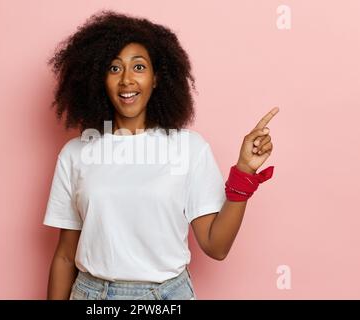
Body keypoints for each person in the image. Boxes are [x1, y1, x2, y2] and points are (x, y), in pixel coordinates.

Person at [43, 10, 279, 300]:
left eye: (139, 67)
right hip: (93, 296)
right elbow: (66, 257)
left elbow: (216, 246)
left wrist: (244, 173)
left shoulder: (189, 148)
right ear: (97, 79)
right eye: (114, 69)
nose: (127, 79)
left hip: (166, 298)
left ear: (157, 78)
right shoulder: (76, 154)